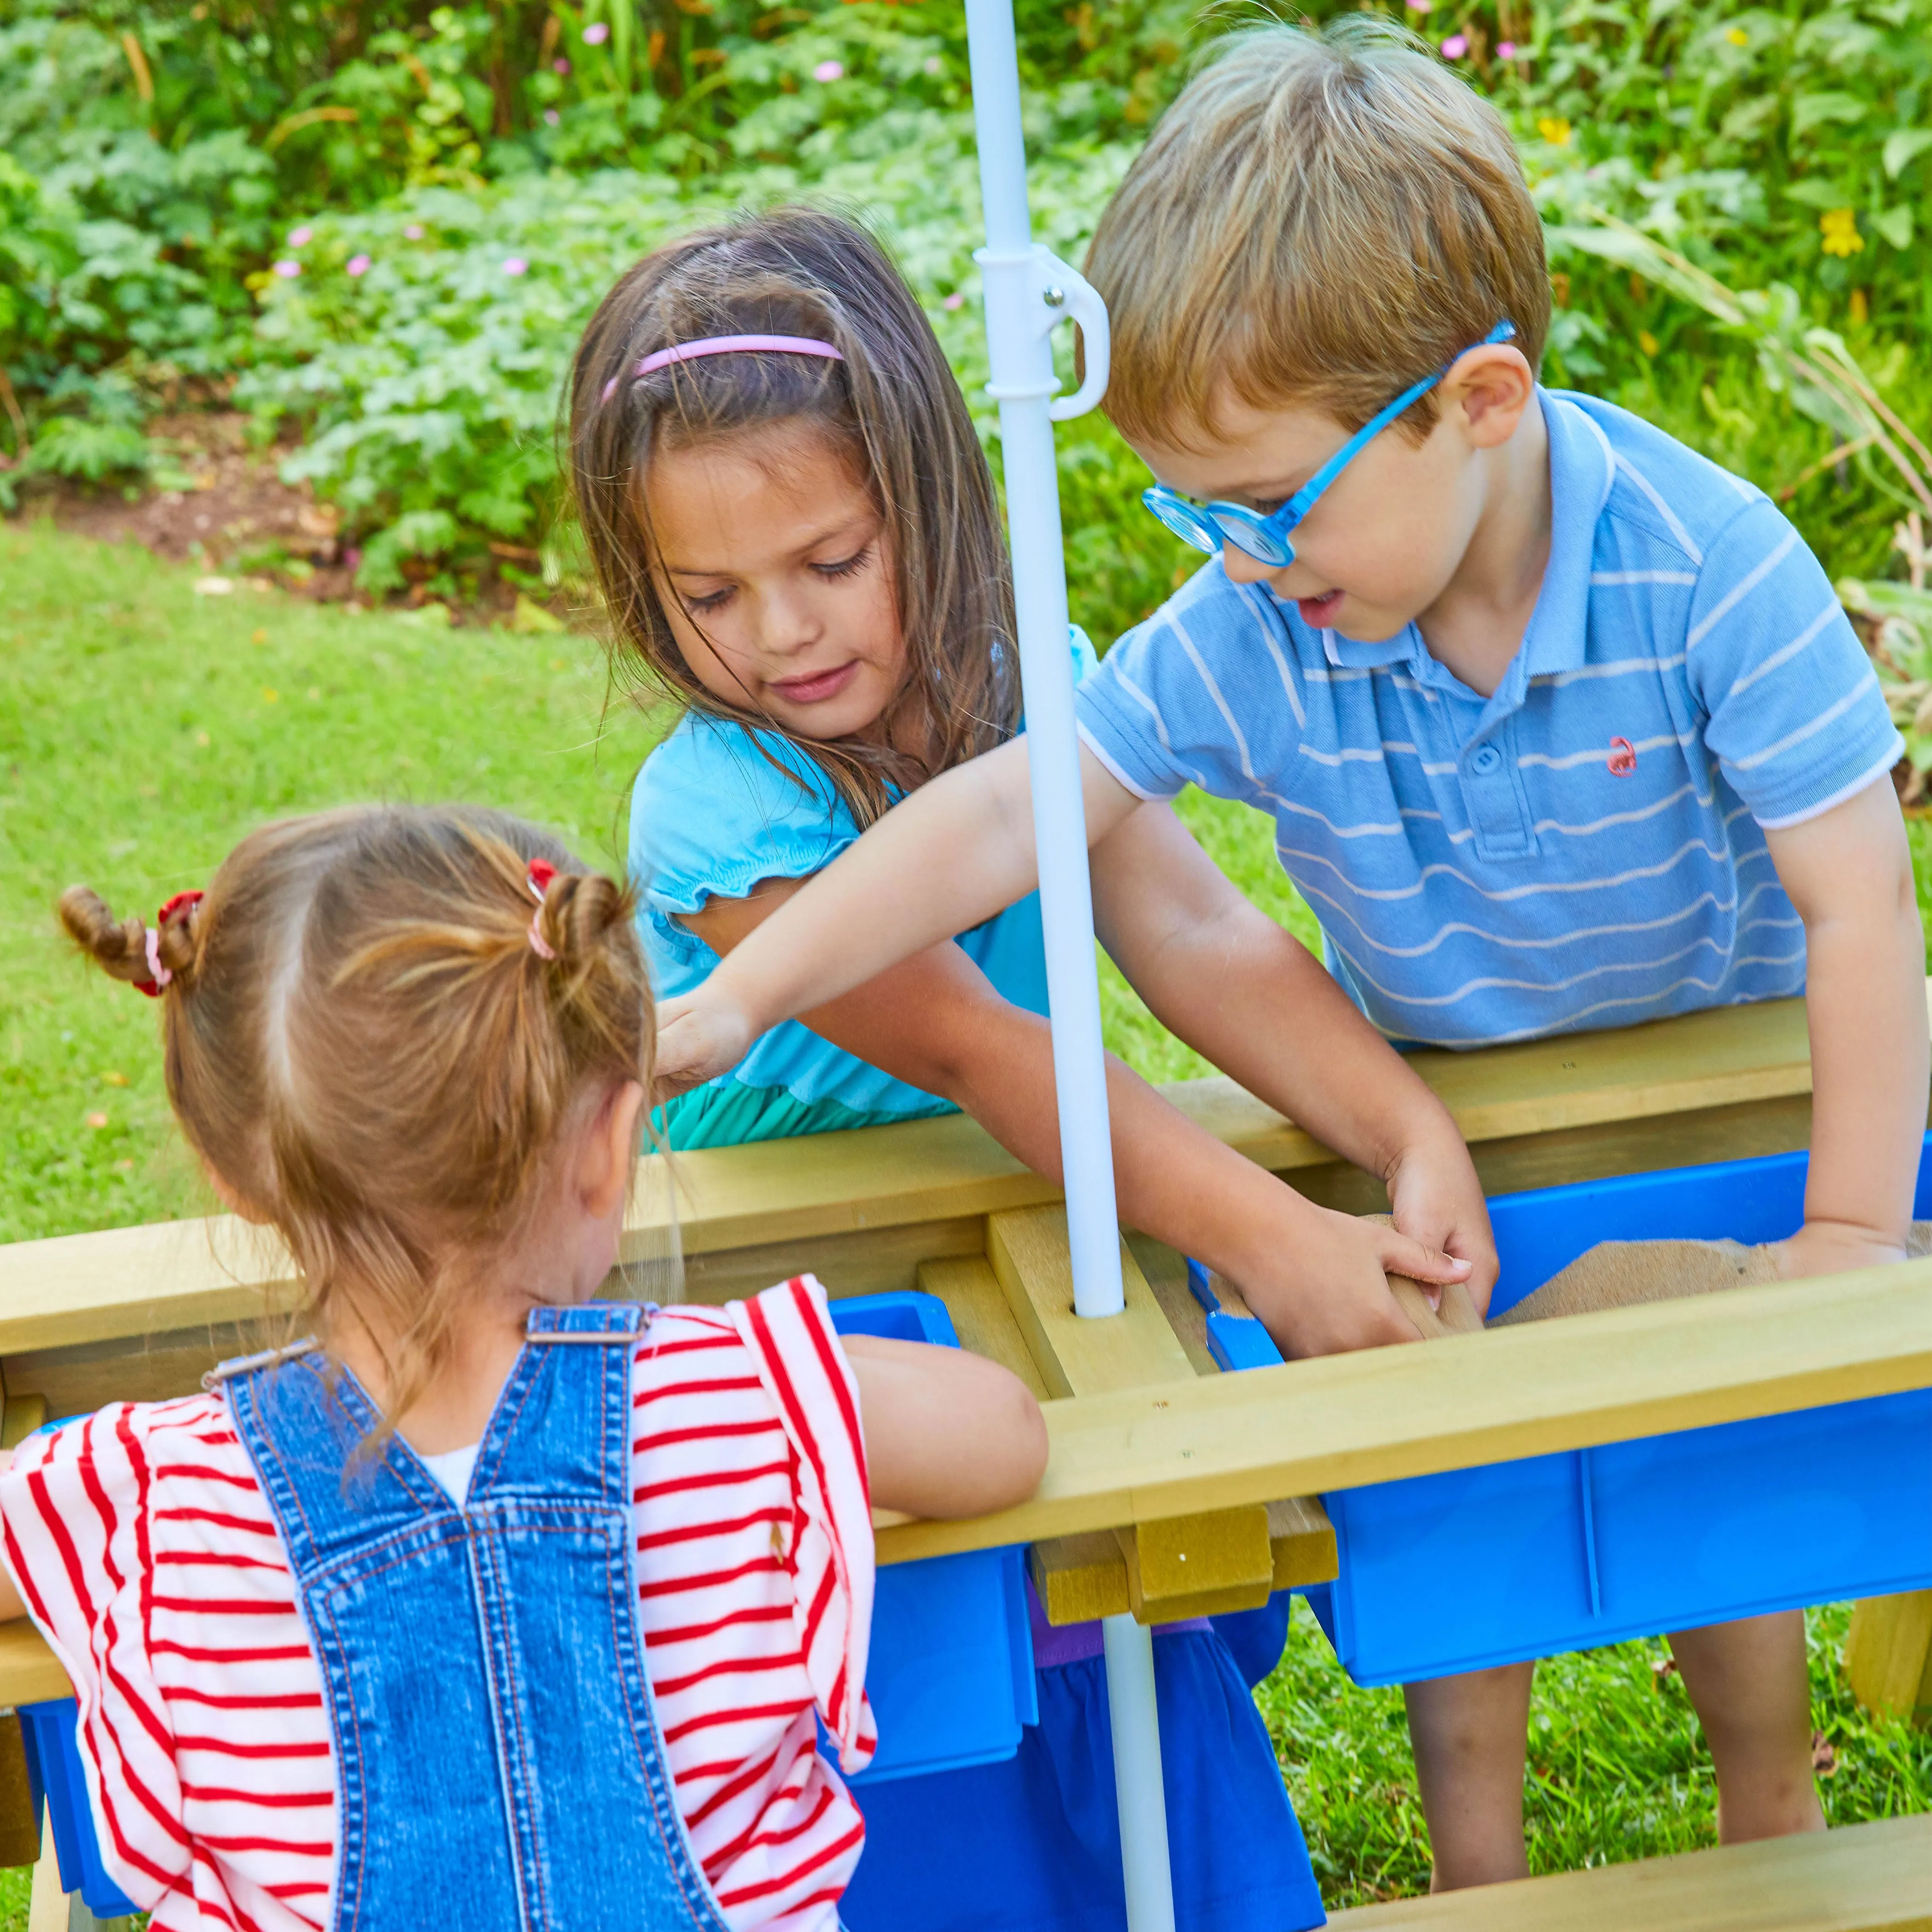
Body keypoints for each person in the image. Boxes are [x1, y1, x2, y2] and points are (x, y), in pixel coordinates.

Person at [650, 24, 1930, 1897]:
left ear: (1477, 401)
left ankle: (1776, 1815)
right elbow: (1011, 817)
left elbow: (1862, 913)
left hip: (1684, 1100)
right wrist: (741, 996)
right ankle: (1479, 1876)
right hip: (1442, 1118)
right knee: (1457, 1529)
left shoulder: (1714, 570)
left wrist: (1843, 1237)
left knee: (1719, 1525)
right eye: (1195, 513)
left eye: (1270, 502)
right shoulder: (1273, 616)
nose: (1238, 559)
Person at [568, 207, 1495, 1931]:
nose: (779, 631)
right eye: (710, 596)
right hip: (814, 1313)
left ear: (928, 496)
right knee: (920, 1677)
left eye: (831, 561)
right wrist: (1273, 1240)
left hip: (1030, 1255)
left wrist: (1399, 1125)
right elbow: (985, 1051)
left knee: (1110, 1619)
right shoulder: (715, 810)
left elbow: (1201, 937)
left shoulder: (1032, 685)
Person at [1, 803, 1046, 1932]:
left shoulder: (145, 1498)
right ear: (609, 1140)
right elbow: (1002, 1434)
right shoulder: (735, 1397)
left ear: (232, 1175)